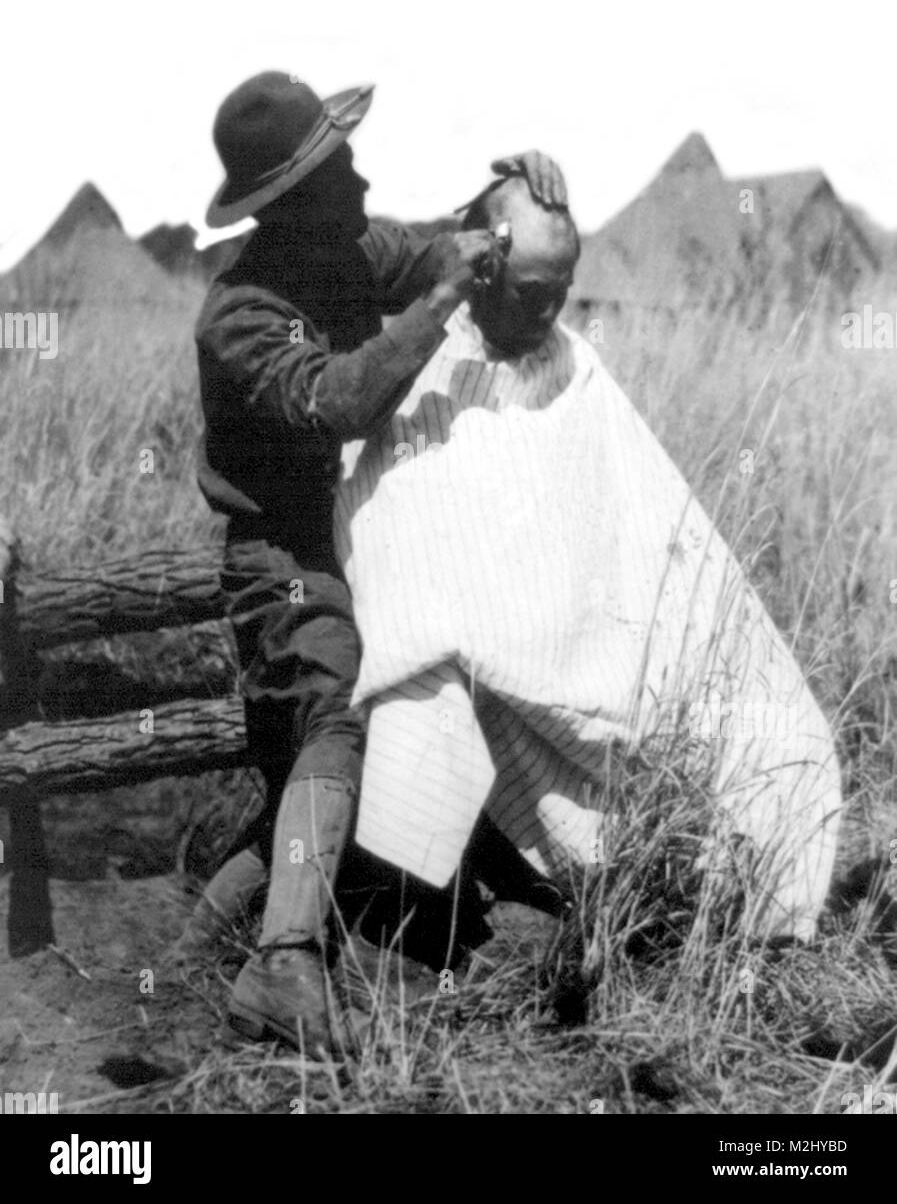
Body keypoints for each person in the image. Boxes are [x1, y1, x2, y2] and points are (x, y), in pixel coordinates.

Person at [335, 175, 841, 945]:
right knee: (431, 689)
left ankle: (714, 908)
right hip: (482, 648)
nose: (548, 311)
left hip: (592, 644)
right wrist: (498, 628)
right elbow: (400, 547)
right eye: (530, 290)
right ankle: (424, 916)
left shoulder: (574, 367)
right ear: (481, 268)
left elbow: (647, 530)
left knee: (780, 736)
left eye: (562, 290)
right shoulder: (421, 358)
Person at [186, 70, 566, 1053]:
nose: (359, 183)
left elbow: (446, 248)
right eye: (339, 168)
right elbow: (342, 398)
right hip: (281, 552)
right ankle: (283, 965)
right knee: (332, 703)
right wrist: (440, 296)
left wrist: (505, 209)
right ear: (294, 198)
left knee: (329, 754)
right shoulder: (238, 313)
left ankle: (199, 944)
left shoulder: (346, 248)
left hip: (356, 530)